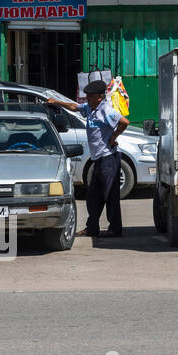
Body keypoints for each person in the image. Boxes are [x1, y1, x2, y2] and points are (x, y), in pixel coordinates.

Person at [51, 80, 129, 238]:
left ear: (99, 97)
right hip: (98, 159)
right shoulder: (90, 108)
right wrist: (57, 102)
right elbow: (74, 107)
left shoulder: (106, 110)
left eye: (90, 96)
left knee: (110, 195)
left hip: (109, 158)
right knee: (93, 196)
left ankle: (115, 229)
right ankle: (92, 227)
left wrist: (113, 137)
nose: (86, 98)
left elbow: (124, 122)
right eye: (86, 95)